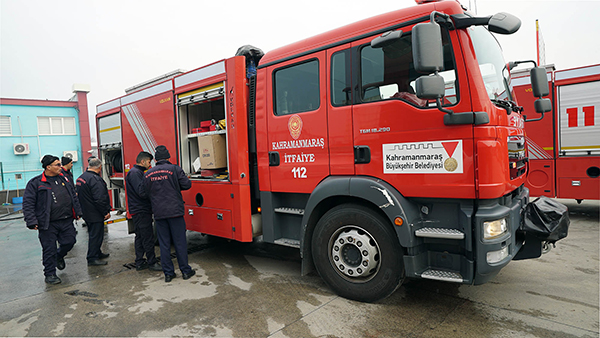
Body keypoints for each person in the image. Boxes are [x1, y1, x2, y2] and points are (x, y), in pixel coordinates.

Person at [23, 155, 83, 285]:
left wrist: (78, 212)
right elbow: (28, 203)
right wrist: (31, 220)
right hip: (48, 223)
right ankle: (50, 274)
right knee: (49, 248)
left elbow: (73, 196)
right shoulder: (36, 183)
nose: (60, 167)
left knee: (70, 241)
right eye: (57, 164)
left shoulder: (65, 179)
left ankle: (59, 255)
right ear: (48, 167)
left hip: (66, 220)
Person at [143, 145, 194, 282]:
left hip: (159, 213)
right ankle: (185, 271)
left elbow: (145, 192)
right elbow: (187, 185)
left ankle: (168, 274)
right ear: (168, 156)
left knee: (164, 244)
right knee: (180, 242)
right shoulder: (175, 169)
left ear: (155, 159)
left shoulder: (148, 174)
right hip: (175, 212)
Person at [125, 151, 161, 272]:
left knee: (140, 237)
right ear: (143, 161)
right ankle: (152, 262)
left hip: (138, 210)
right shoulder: (135, 173)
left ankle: (140, 262)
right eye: (149, 162)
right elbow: (141, 192)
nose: (150, 165)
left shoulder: (136, 172)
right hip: (141, 210)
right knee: (148, 237)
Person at [76, 157, 111, 266]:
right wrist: (105, 212)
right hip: (95, 213)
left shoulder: (81, 177)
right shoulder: (95, 179)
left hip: (86, 211)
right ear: (99, 167)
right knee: (96, 236)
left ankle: (97, 252)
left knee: (94, 234)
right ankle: (92, 258)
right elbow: (100, 198)